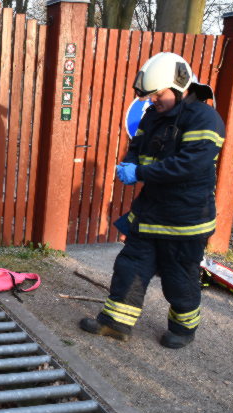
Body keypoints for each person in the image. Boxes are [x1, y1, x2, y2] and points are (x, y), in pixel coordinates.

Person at [79, 52, 225, 349]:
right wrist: (128, 164)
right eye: (150, 95)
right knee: (130, 267)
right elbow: (137, 146)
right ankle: (115, 323)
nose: (153, 100)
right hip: (150, 213)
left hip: (185, 220)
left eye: (158, 94)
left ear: (181, 86)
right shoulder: (153, 116)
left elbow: (189, 165)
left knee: (179, 277)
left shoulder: (204, 118)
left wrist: (141, 171)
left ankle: (184, 329)